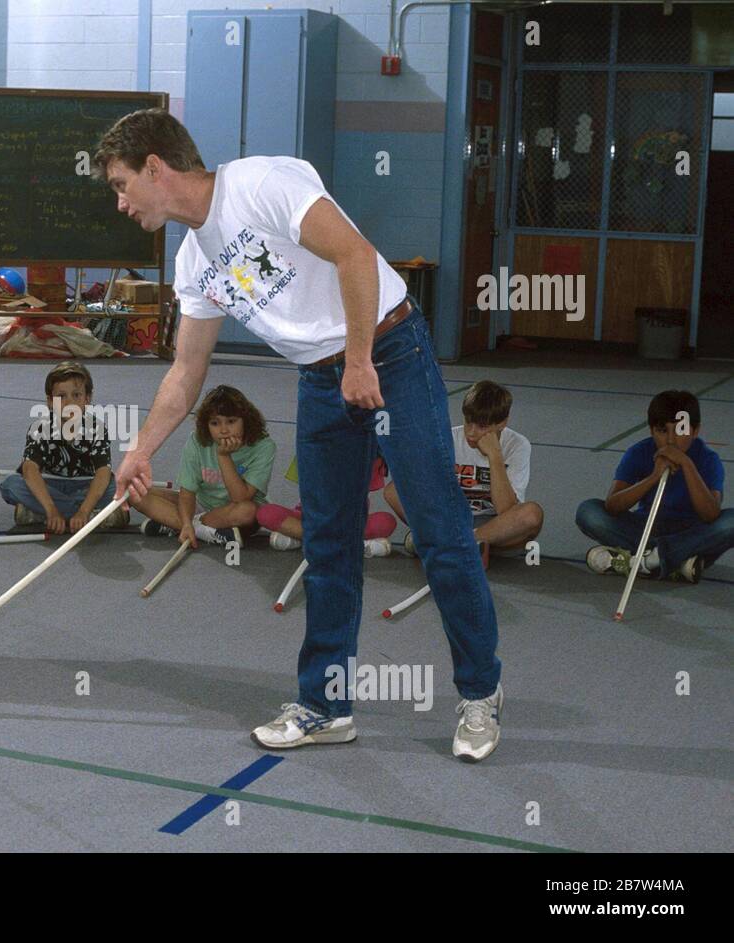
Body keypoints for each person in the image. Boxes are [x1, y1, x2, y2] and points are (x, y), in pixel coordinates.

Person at [96, 108, 502, 761]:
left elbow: (355, 254)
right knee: (328, 542)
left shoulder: (261, 184)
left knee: (439, 527)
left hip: (389, 353)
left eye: (121, 184)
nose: (119, 202)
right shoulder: (193, 260)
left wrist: (362, 359)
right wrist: (140, 450)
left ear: (156, 167)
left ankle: (480, 695)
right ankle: (325, 705)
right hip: (321, 381)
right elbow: (186, 369)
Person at [576, 389, 731, 582]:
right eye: (662, 431)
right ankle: (674, 561)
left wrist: (687, 464)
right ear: (651, 430)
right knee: (589, 512)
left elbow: (711, 514)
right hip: (647, 526)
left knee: (729, 522)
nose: (671, 440)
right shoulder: (639, 452)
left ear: (695, 430)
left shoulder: (708, 459)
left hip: (691, 531)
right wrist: (653, 477)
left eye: (680, 430)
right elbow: (612, 506)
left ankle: (646, 560)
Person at [384, 380, 542, 556]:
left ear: (502, 423)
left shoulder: (517, 445)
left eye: (482, 426)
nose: (471, 432)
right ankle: (466, 545)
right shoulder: (448, 438)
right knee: (394, 490)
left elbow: (505, 509)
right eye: (468, 422)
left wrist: (495, 456)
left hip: (495, 525)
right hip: (451, 520)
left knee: (531, 514)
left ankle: (452, 543)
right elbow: (426, 493)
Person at [136, 384, 275, 547]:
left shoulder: (264, 446)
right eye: (215, 423)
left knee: (248, 511)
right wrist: (187, 523)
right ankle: (199, 529)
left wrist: (223, 456)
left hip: (235, 512)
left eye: (231, 421)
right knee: (134, 492)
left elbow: (240, 498)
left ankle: (176, 524)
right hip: (201, 505)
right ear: (206, 425)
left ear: (246, 420)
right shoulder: (197, 441)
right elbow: (187, 493)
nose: (224, 430)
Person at [0, 361, 126, 533]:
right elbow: (30, 470)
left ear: (87, 399)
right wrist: (51, 509)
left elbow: (103, 472)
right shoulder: (41, 428)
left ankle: (41, 513)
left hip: (87, 485)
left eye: (76, 395)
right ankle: (95, 516)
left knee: (123, 487)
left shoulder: (97, 429)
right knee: (10, 485)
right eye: (61, 397)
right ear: (50, 401)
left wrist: (83, 511)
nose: (69, 403)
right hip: (51, 485)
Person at [259, 455, 395, 556]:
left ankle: (305, 539)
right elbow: (311, 491)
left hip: (350, 521)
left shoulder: (368, 453)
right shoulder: (313, 446)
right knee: (266, 513)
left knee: (386, 521)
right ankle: (351, 545)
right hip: (312, 517)